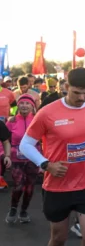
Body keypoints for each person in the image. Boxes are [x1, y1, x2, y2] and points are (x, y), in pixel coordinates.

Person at [18, 68, 85, 246]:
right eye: (77, 92)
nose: (82, 98)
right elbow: (25, 145)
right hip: (58, 186)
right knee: (58, 239)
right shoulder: (47, 113)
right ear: (66, 87)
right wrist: (46, 164)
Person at [4, 94, 38, 223]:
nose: (24, 106)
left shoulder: (36, 120)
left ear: (32, 106)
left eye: (27, 103)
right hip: (16, 159)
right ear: (18, 105)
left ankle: (24, 211)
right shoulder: (11, 121)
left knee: (29, 188)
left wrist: (43, 161)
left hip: (33, 159)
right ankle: (13, 208)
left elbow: (42, 141)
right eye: (22, 103)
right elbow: (4, 140)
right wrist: (5, 155)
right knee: (19, 185)